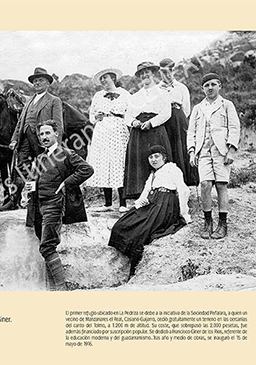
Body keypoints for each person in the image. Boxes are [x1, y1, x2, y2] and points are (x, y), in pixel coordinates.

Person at [109, 145, 191, 280]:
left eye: (157, 156)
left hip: (165, 205)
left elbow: (184, 191)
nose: (153, 160)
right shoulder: (153, 174)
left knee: (142, 232)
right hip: (152, 203)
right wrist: (137, 206)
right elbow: (145, 193)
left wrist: (184, 214)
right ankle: (127, 262)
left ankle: (135, 270)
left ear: (164, 157)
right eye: (151, 157)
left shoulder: (172, 169)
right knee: (121, 225)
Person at [33, 120, 93, 290]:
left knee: (47, 246)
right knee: (44, 245)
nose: (44, 137)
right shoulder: (39, 158)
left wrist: (67, 183)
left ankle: (60, 288)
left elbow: (87, 169)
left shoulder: (66, 154)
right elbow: (35, 180)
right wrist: (29, 190)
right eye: (41, 134)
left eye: (47, 133)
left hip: (55, 203)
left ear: (56, 134)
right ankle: (53, 289)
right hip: (38, 206)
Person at [0, 67, 63, 212]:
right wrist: (14, 139)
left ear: (47, 83)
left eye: (40, 80)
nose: (37, 83)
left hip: (43, 140)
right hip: (25, 139)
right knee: (20, 169)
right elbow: (20, 122)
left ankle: (40, 201)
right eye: (35, 81)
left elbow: (58, 125)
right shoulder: (28, 102)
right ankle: (14, 201)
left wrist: (55, 146)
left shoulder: (54, 101)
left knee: (43, 170)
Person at [187, 73, 240, 239]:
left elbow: (234, 127)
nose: (210, 88)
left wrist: (231, 150)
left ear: (219, 86)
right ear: (202, 89)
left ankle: (222, 224)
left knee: (221, 185)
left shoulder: (227, 105)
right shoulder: (198, 108)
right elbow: (192, 132)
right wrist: (191, 151)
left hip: (221, 151)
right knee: (205, 184)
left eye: (213, 84)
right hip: (203, 152)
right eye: (206, 85)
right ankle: (208, 221)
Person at [123, 61, 172, 198]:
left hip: (155, 131)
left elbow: (166, 113)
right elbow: (128, 115)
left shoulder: (163, 93)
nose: (145, 75)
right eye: (142, 74)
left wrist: (151, 123)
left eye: (147, 72)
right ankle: (141, 196)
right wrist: (134, 122)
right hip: (139, 133)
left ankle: (160, 195)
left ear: (153, 74)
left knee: (158, 161)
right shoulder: (135, 96)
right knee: (141, 162)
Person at [86, 68, 132, 212]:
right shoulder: (98, 95)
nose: (103, 81)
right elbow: (91, 116)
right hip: (102, 130)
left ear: (113, 78)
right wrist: (96, 118)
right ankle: (107, 203)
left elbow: (131, 112)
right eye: (101, 79)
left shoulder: (125, 94)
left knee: (119, 163)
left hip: (118, 129)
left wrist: (125, 120)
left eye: (105, 77)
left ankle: (122, 203)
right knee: (103, 162)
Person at [158, 58, 198, 186]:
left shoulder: (181, 87)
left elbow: (186, 109)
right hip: (163, 120)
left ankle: (186, 181)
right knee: (167, 147)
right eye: (164, 71)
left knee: (180, 147)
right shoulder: (157, 89)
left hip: (178, 119)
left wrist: (178, 117)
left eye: (170, 70)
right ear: (160, 72)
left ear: (173, 71)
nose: (167, 74)